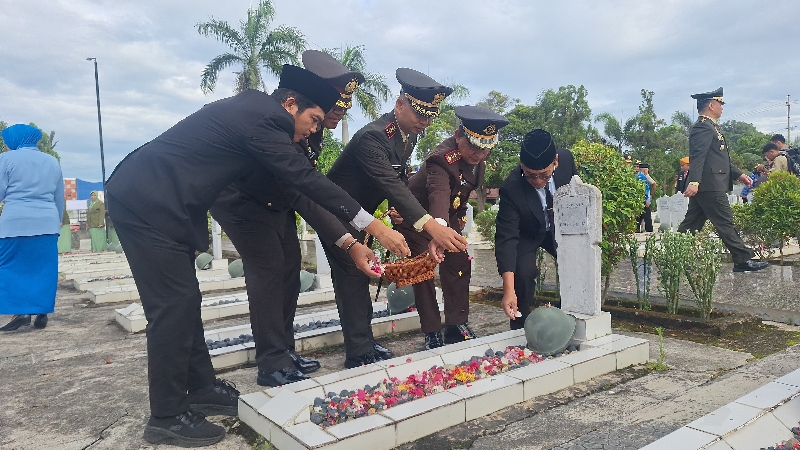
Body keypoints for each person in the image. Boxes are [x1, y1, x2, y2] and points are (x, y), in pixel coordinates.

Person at [105, 65, 409, 448]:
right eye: (314, 120)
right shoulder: (267, 120)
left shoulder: (257, 111)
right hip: (146, 203)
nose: (315, 130)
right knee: (171, 307)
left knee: (185, 301)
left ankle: (201, 388)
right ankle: (166, 415)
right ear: (290, 104)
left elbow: (283, 184)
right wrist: (373, 226)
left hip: (167, 204)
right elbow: (305, 180)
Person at [209, 50, 384, 387]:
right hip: (241, 202)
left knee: (290, 270)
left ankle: (284, 351)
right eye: (331, 110)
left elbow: (300, 191)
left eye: (341, 110)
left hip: (276, 201)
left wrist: (348, 241)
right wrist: (356, 235)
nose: (336, 116)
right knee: (269, 272)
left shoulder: (310, 130)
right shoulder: (284, 125)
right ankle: (271, 363)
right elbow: (305, 188)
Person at [324, 68, 467, 368]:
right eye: (420, 114)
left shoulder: (407, 136)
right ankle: (358, 353)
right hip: (338, 215)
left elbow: (398, 180)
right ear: (400, 104)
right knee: (350, 279)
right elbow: (389, 182)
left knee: (360, 277)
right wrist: (431, 226)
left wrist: (399, 209)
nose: (425, 122)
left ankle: (365, 343)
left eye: (430, 117)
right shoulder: (373, 137)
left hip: (362, 217)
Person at [398, 105, 509, 349]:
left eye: (485, 149)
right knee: (423, 271)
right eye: (474, 147)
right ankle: (432, 331)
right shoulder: (441, 159)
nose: (479, 154)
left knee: (459, 263)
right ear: (459, 136)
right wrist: (438, 230)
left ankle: (455, 325)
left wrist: (450, 229)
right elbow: (439, 194)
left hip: (447, 221)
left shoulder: (478, 161)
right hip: (416, 221)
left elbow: (458, 199)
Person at [677, 88, 768, 273]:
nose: (722, 108)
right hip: (709, 184)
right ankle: (742, 260)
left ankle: (675, 256)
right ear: (711, 105)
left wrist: (738, 174)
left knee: (692, 224)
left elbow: (719, 159)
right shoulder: (703, 126)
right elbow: (698, 156)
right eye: (720, 104)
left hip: (708, 184)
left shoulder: (712, 127)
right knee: (725, 222)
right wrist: (694, 182)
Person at [495, 129, 578, 328]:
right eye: (531, 176)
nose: (539, 181)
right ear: (522, 165)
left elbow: (577, 195)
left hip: (559, 228)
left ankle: (564, 319)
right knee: (523, 274)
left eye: (545, 175)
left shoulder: (566, 161)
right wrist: (508, 290)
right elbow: (506, 238)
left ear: (556, 161)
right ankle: (520, 326)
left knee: (577, 263)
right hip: (528, 232)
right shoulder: (511, 187)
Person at [0, 124, 63, 332]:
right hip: (47, 223)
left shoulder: (6, 159)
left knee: (11, 268)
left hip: (15, 223)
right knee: (44, 269)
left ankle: (21, 313)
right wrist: (56, 223)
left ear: (15, 140)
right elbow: (59, 197)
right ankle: (42, 311)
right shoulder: (52, 161)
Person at [635, 163, 653, 232]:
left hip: (638, 199)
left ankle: (636, 229)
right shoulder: (643, 177)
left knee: (639, 215)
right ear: (645, 170)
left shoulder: (637, 176)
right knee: (647, 216)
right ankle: (649, 230)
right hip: (643, 199)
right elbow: (645, 190)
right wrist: (647, 200)